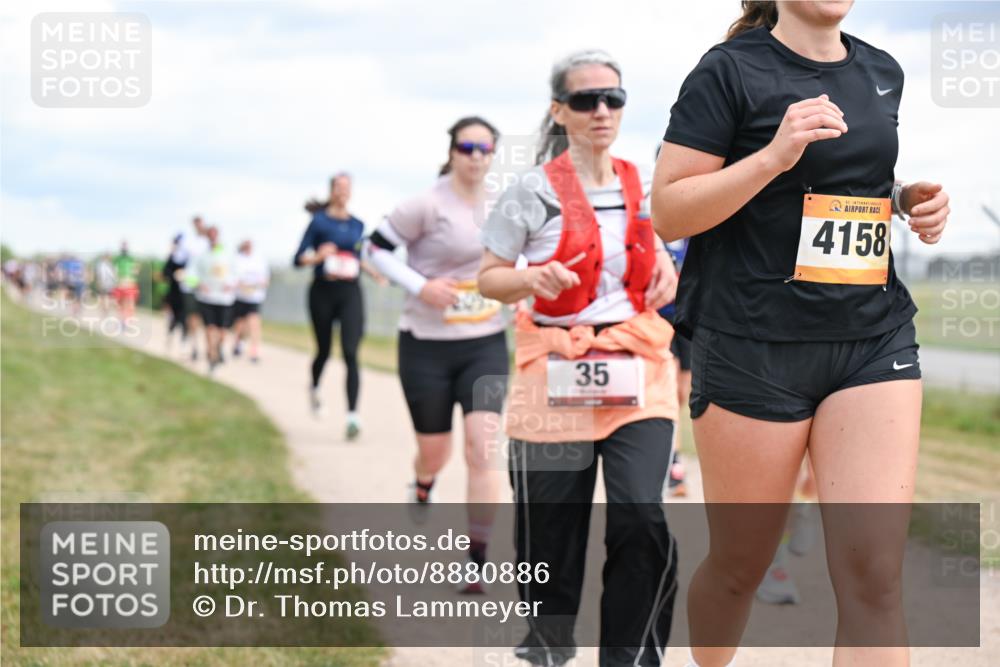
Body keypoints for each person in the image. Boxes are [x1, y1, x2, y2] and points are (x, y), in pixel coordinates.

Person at [650, 2, 951, 665]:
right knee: (738, 568)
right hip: (754, 345)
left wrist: (904, 201)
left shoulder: (880, 69)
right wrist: (772, 157)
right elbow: (669, 211)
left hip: (873, 339)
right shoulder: (728, 72)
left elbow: (850, 183)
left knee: (875, 575)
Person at [478, 49, 680, 667]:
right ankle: (549, 642)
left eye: (613, 99)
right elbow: (488, 278)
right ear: (559, 110)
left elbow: (661, 247)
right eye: (587, 100)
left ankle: (630, 655)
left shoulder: (643, 187)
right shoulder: (530, 192)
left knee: (642, 517)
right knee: (552, 529)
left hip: (634, 364)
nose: (602, 111)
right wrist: (530, 279)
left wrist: (666, 262)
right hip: (556, 366)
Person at [365, 116, 509, 593]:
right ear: (452, 151)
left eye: (484, 148)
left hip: (484, 342)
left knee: (481, 446)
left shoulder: (505, 204)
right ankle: (424, 481)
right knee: (435, 451)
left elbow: (527, 253)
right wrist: (421, 285)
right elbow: (375, 248)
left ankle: (477, 557)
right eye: (467, 146)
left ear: (493, 154)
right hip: (425, 345)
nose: (475, 156)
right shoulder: (425, 204)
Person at [293, 173, 367, 440]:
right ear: (332, 190)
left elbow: (362, 256)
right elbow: (298, 258)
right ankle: (313, 387)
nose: (343, 192)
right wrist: (317, 257)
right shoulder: (319, 222)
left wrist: (377, 272)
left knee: (350, 351)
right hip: (323, 291)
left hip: (350, 291)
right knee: (323, 350)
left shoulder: (358, 224)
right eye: (339, 187)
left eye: (348, 187)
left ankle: (352, 417)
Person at [657, 236, 692, 498]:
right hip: (662, 320)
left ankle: (670, 453)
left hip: (690, 320)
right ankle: (673, 463)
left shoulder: (694, 235)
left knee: (683, 392)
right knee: (669, 390)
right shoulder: (659, 231)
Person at [190, 226, 237, 375]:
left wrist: (232, 284)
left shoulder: (229, 255)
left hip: (224, 299)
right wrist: (198, 283)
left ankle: (218, 348)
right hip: (207, 298)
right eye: (210, 235)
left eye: (214, 234)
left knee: (223, 331)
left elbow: (237, 274)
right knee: (210, 328)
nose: (212, 237)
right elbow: (191, 274)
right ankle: (212, 358)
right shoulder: (201, 256)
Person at [174, 216, 210, 362]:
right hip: (191, 285)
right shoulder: (188, 242)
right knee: (193, 317)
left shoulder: (212, 243)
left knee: (206, 319)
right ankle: (194, 346)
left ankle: (210, 347)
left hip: (209, 287)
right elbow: (178, 259)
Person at [231, 239, 270, 363]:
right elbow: (233, 278)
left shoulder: (259, 260)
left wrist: (260, 284)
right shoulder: (237, 260)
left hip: (255, 297)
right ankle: (239, 342)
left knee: (254, 324)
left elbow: (265, 279)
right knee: (241, 324)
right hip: (240, 297)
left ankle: (254, 351)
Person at [111, 242, 139, 321]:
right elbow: (114, 270)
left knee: (130, 302)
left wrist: (132, 276)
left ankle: (128, 319)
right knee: (121, 303)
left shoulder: (131, 259)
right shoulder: (117, 259)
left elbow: (136, 270)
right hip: (121, 283)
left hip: (130, 283)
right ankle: (123, 319)